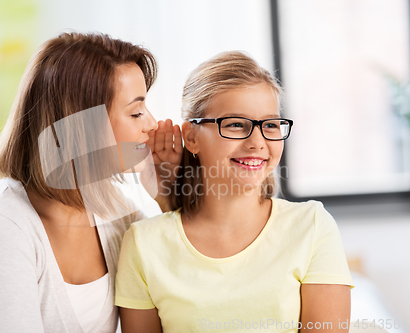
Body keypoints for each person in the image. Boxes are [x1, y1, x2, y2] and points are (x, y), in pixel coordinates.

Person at [0, 31, 182, 333]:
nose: (152, 124)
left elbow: (185, 289)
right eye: (136, 112)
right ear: (82, 125)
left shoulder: (117, 211)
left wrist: (166, 199)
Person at [115, 51, 354, 332]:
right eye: (236, 125)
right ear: (192, 137)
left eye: (270, 125)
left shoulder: (312, 226)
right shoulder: (143, 244)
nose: (257, 141)